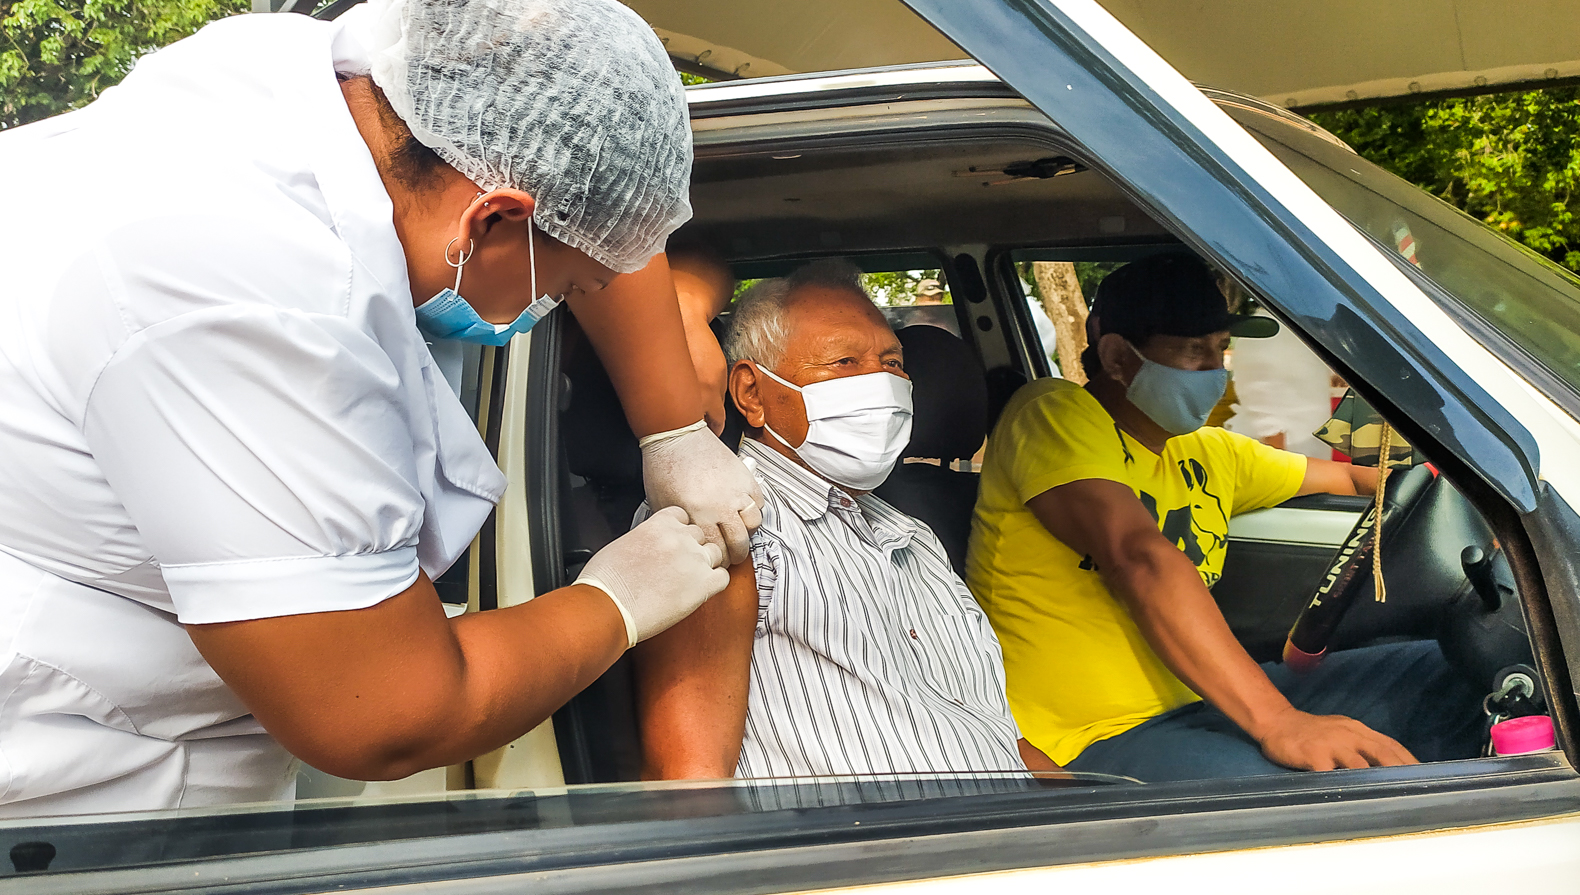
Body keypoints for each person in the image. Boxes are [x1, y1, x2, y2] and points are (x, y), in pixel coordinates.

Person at [0, 0, 762, 816]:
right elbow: (385, 713)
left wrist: (671, 427)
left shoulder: (365, 78)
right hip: (82, 778)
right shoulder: (253, 305)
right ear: (493, 220)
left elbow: (583, 173)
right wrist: (616, 600)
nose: (563, 305)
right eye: (568, 290)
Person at [967, 252, 1482, 783]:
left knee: (1461, 673)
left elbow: (1360, 482)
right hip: (1091, 735)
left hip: (1206, 702)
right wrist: (1278, 720)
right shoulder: (1051, 413)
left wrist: (1477, 508)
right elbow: (1138, 557)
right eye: (1194, 352)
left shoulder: (1211, 452)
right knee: (1315, 801)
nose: (1215, 372)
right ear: (1119, 357)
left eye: (1221, 349)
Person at [636, 261, 1055, 779]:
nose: (881, 381)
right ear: (752, 395)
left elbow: (995, 737)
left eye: (893, 362)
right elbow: (692, 781)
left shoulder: (914, 538)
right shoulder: (726, 522)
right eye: (844, 362)